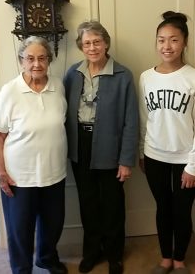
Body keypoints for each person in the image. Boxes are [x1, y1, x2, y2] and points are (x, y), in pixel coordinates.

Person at [64, 20, 139, 274]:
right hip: (80, 147)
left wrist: (126, 159)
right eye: (87, 43)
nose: (92, 47)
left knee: (112, 205)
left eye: (97, 41)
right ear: (80, 46)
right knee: (88, 203)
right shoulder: (72, 73)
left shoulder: (123, 75)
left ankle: (114, 255)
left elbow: (131, 120)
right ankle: (92, 251)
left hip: (110, 147)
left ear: (106, 43)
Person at [0, 36, 68, 274]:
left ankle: (46, 258)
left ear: (49, 60)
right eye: (30, 58)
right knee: (20, 229)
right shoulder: (11, 90)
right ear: (21, 61)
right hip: (19, 177)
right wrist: (0, 172)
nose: (36, 64)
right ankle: (21, 269)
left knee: (53, 224)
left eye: (42, 58)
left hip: (54, 173)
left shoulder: (58, 86)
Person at [139, 11, 195, 274]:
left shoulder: (192, 77)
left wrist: (193, 166)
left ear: (184, 42)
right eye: (161, 40)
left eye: (173, 40)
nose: (167, 46)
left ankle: (180, 258)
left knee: (182, 211)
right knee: (163, 207)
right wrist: (141, 151)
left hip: (186, 158)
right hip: (153, 155)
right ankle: (165, 258)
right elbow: (143, 117)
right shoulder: (146, 77)